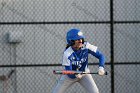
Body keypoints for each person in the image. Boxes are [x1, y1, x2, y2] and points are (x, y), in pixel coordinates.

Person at [52, 28, 105, 93]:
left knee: (95, 92)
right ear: (71, 41)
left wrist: (101, 67)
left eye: (81, 39)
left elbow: (101, 56)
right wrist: (75, 75)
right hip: (70, 75)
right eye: (77, 39)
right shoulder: (67, 53)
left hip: (84, 73)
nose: (80, 41)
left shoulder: (86, 46)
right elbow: (69, 73)